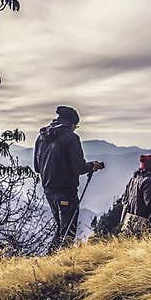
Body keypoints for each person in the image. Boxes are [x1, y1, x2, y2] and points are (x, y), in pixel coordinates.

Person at [34, 106, 104, 250]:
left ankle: (50, 262)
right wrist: (92, 166)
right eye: (76, 126)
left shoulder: (41, 137)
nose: (75, 129)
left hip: (48, 190)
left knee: (60, 228)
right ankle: (61, 264)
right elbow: (78, 167)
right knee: (68, 231)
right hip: (66, 191)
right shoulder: (71, 138)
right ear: (72, 123)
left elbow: (36, 167)